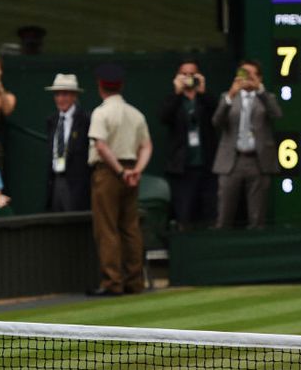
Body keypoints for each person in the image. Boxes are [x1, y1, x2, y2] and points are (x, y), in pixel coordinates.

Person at [86, 63, 151, 296]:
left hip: (108, 173)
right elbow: (146, 146)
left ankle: (113, 283)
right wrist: (136, 171)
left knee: (108, 228)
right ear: (120, 85)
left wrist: (121, 172)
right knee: (130, 228)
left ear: (100, 86)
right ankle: (134, 282)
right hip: (131, 172)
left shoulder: (101, 113)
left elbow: (101, 146)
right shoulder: (136, 114)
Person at [211, 60, 281, 230]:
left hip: (258, 161)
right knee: (225, 214)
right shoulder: (227, 98)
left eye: (252, 75)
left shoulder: (267, 98)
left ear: (259, 78)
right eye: (244, 74)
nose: (247, 78)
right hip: (232, 161)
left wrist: (260, 90)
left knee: (257, 217)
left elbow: (277, 115)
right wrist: (231, 95)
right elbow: (216, 121)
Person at [160, 60, 218, 229]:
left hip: (206, 165)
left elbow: (217, 115)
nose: (188, 78)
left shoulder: (204, 100)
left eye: (192, 74)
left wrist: (203, 92)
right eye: (184, 74)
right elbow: (164, 117)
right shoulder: (174, 100)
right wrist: (177, 93)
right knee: (183, 214)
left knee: (209, 213)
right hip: (182, 168)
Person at [44, 73, 90, 212]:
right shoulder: (52, 121)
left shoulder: (85, 120)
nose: (60, 99)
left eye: (65, 94)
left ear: (74, 96)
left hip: (77, 184)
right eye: (57, 94)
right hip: (56, 181)